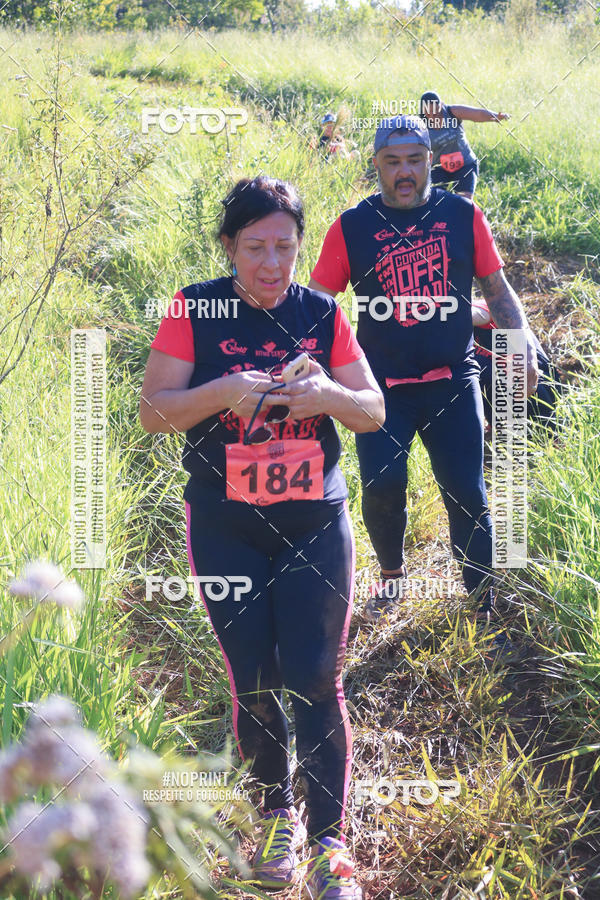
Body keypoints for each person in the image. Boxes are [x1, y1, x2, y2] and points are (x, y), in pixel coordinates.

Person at [139, 175, 384, 898]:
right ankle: (279, 817)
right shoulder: (196, 307)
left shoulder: (320, 311)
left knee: (314, 675)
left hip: (314, 522)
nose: (272, 264)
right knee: (253, 682)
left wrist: (329, 396)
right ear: (228, 247)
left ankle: (331, 844)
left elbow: (370, 410)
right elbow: (155, 409)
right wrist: (221, 392)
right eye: (255, 249)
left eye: (284, 247)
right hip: (226, 526)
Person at [308, 115, 538, 634]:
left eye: (414, 160)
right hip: (381, 388)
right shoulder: (353, 226)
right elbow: (320, 304)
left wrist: (520, 348)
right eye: (392, 163)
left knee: (466, 490)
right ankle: (391, 576)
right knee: (383, 487)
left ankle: (482, 598)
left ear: (430, 162)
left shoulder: (462, 215)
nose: (404, 172)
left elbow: (497, 291)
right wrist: (311, 367)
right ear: (376, 166)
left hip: (453, 379)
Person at [473, 298, 561, 431]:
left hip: (536, 389)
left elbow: (480, 312)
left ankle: (553, 436)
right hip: (503, 406)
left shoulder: (483, 307)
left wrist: (446, 319)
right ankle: (497, 427)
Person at [419, 90, 510, 200]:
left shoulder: (452, 112)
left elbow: (477, 114)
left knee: (464, 202)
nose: (433, 116)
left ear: (441, 104)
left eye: (436, 112)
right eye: (429, 113)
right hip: (439, 169)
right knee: (434, 202)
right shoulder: (420, 126)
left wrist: (496, 117)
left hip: (465, 165)